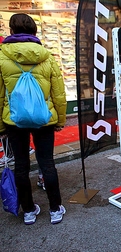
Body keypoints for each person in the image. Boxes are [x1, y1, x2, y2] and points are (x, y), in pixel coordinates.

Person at [0, 13, 67, 225]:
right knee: (47, 163)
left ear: (11, 31)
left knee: (21, 165)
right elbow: (59, 93)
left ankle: (28, 211)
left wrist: (0, 124)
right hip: (44, 118)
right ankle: (55, 209)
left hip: (14, 120)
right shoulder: (47, 56)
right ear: (35, 32)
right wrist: (61, 120)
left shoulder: (2, 56)